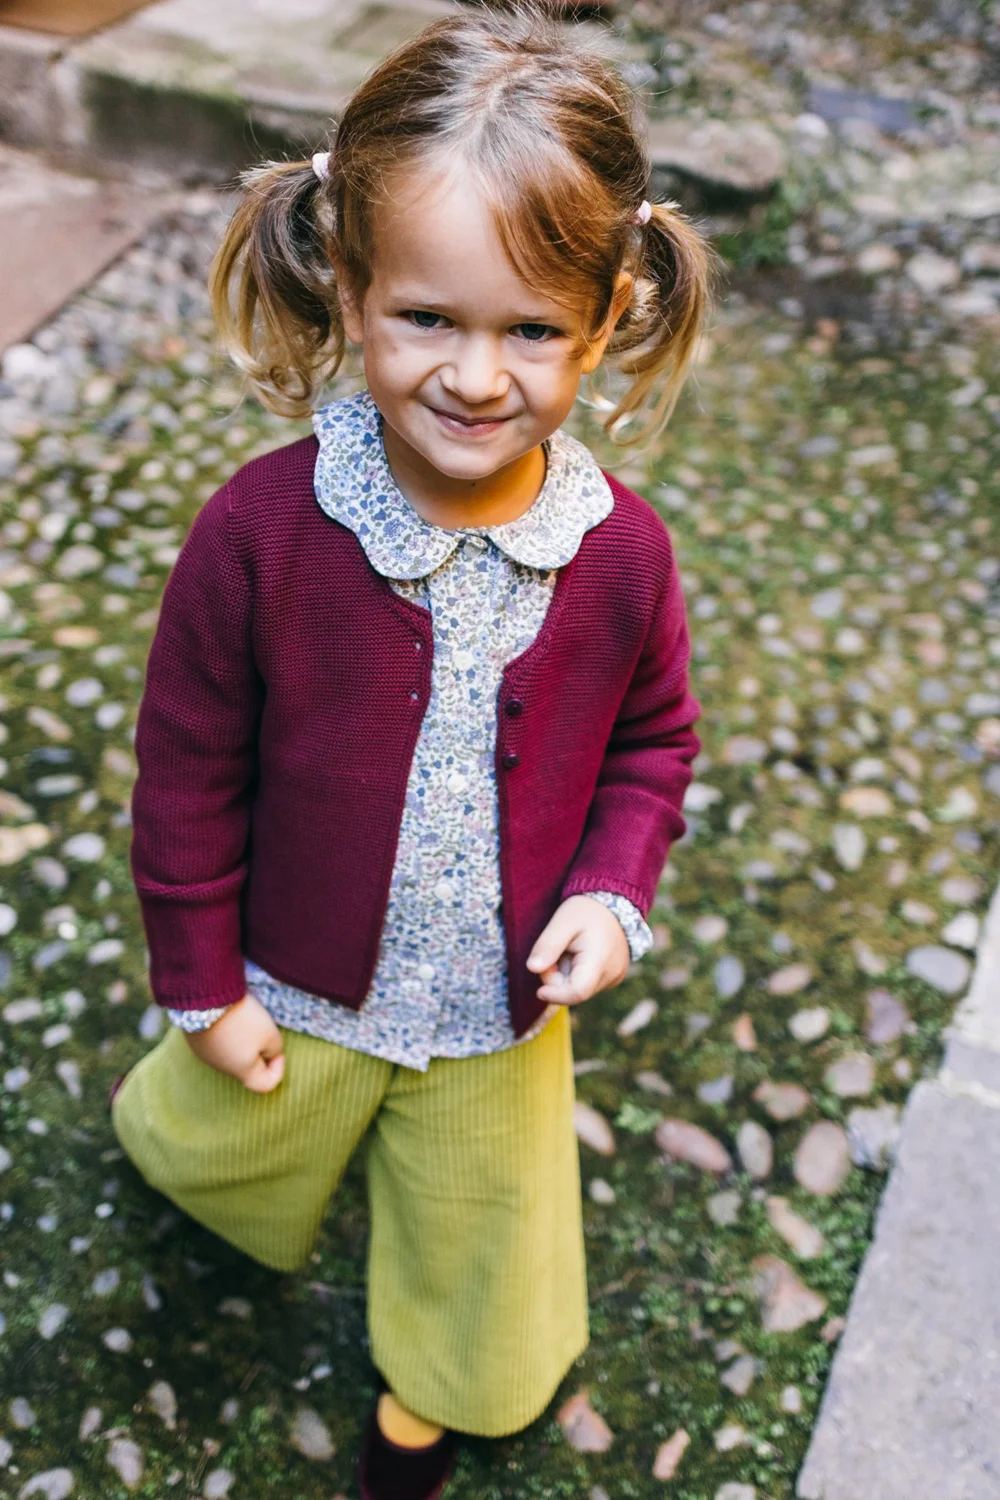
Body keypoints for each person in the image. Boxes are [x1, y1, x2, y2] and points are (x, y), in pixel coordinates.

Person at [111, 6, 710, 1496]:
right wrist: (197, 985)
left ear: (611, 311)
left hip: (496, 1004)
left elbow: (655, 740)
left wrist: (609, 891)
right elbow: (187, 772)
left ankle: (434, 1392)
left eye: (531, 330)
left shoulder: (620, 556)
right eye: (429, 318)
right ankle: (195, 1174)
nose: (478, 377)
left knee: (486, 1229)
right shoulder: (258, 538)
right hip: (296, 974)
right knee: (224, 1132)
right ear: (351, 287)